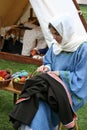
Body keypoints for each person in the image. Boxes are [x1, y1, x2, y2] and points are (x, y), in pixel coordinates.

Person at [9, 14, 87, 130]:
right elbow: (49, 62)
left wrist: (60, 74)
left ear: (66, 31)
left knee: (43, 102)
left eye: (57, 34)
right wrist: (47, 68)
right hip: (51, 84)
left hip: (72, 90)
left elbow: (81, 79)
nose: (54, 37)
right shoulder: (56, 45)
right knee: (32, 95)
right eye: (52, 33)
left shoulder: (82, 48)